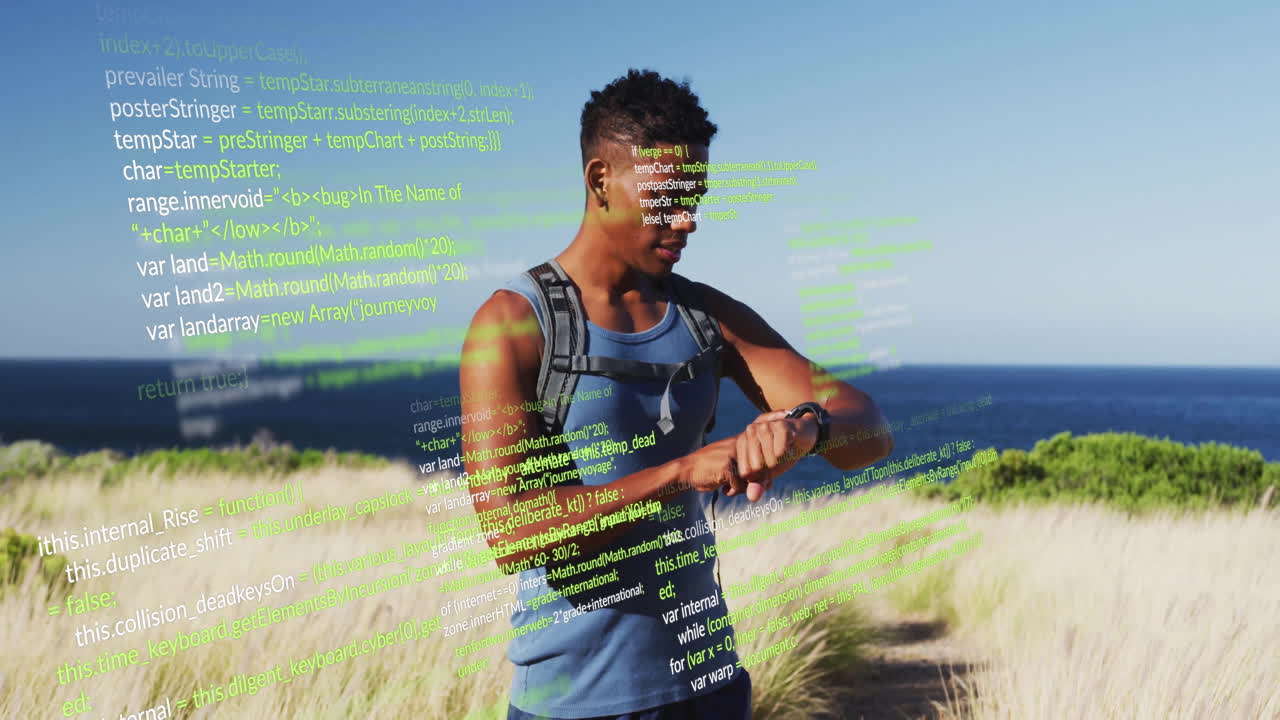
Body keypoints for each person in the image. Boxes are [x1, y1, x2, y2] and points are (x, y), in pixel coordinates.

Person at [457, 68, 894, 720]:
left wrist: (805, 428)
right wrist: (684, 471)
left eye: (698, 197)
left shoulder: (708, 319)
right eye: (668, 197)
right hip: (574, 704)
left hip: (711, 690)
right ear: (600, 180)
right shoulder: (513, 325)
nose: (687, 220)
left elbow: (872, 428)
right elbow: (512, 534)